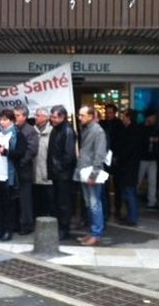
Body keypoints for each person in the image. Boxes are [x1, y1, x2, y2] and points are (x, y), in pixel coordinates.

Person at [0, 109, 22, 241]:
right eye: (1, 119)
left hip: (8, 175)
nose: (2, 122)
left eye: (5, 119)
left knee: (8, 204)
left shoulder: (17, 134)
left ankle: (8, 230)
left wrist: (5, 151)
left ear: (12, 121)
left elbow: (20, 152)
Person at [75, 105, 107, 246]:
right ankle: (93, 232)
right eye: (79, 115)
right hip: (84, 170)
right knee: (89, 204)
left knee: (94, 204)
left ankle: (96, 234)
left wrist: (94, 174)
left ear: (91, 116)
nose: (80, 117)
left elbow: (99, 154)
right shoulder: (87, 129)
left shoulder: (98, 131)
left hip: (90, 172)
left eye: (82, 115)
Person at [47, 105, 77, 240]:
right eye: (51, 116)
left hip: (63, 174)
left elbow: (68, 155)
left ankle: (64, 229)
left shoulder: (68, 131)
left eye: (54, 117)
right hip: (56, 173)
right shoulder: (55, 130)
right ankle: (59, 227)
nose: (52, 119)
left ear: (62, 117)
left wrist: (58, 168)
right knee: (57, 202)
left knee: (64, 202)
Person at [14, 105, 39, 235]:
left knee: (25, 199)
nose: (15, 118)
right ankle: (17, 223)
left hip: (24, 169)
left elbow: (32, 150)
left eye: (17, 115)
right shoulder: (13, 129)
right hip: (15, 169)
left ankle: (26, 225)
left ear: (24, 116)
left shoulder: (30, 131)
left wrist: (21, 162)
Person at [117, 109, 142, 226]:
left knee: (129, 191)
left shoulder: (131, 131)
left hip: (128, 166)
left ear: (128, 117)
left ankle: (132, 217)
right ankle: (131, 216)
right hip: (130, 166)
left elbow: (127, 150)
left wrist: (119, 157)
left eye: (123, 116)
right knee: (129, 191)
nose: (122, 118)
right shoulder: (133, 130)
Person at [99, 104, 125, 219]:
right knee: (104, 185)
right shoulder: (103, 124)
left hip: (115, 158)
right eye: (107, 112)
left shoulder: (119, 124)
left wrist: (117, 155)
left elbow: (121, 142)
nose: (108, 114)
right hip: (105, 157)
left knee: (117, 185)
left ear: (114, 113)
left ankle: (117, 209)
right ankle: (107, 209)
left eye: (110, 112)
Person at [33, 108, 54, 217]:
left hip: (47, 172)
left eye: (38, 115)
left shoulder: (52, 132)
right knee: (37, 200)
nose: (35, 117)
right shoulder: (33, 131)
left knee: (49, 199)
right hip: (34, 171)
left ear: (45, 118)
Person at [138, 110, 159, 210]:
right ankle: (133, 199)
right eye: (153, 118)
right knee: (139, 180)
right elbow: (140, 140)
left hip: (152, 157)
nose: (154, 120)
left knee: (152, 181)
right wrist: (150, 140)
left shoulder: (154, 128)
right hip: (143, 157)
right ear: (148, 118)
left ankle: (152, 201)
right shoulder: (142, 128)